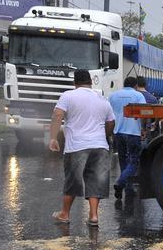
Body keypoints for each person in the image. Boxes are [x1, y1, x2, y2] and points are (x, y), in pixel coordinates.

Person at [49, 69, 116, 227]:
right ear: (91, 82)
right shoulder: (102, 99)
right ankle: (93, 216)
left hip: (77, 146)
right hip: (100, 146)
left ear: (75, 83)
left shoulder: (68, 96)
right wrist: (104, 135)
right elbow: (111, 122)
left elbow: (57, 115)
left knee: (73, 180)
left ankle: (64, 214)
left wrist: (53, 137)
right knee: (95, 181)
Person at [108, 76, 148, 200]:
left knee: (123, 159)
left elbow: (108, 113)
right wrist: (144, 128)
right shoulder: (138, 96)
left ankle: (127, 187)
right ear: (135, 86)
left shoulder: (113, 95)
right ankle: (121, 183)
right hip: (133, 132)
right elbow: (143, 113)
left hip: (118, 132)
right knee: (134, 161)